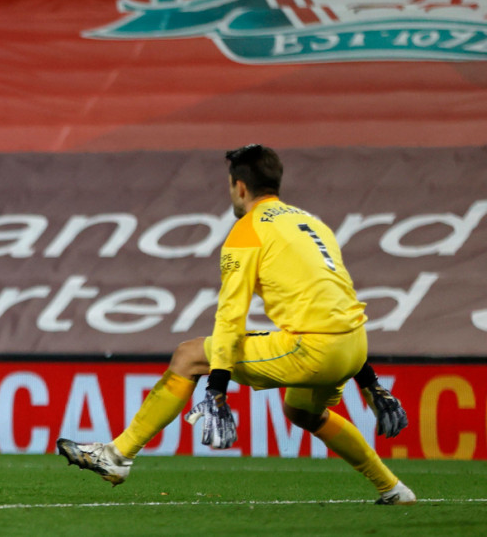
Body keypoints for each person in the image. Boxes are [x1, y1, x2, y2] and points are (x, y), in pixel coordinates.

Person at [57, 144, 415, 505]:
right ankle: (393, 488)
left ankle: (116, 457)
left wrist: (216, 385)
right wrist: (368, 381)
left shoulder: (248, 231)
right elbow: (335, 301)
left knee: (189, 355)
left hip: (314, 348)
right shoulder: (312, 224)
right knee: (303, 411)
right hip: (354, 346)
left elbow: (231, 315)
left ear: (240, 187)